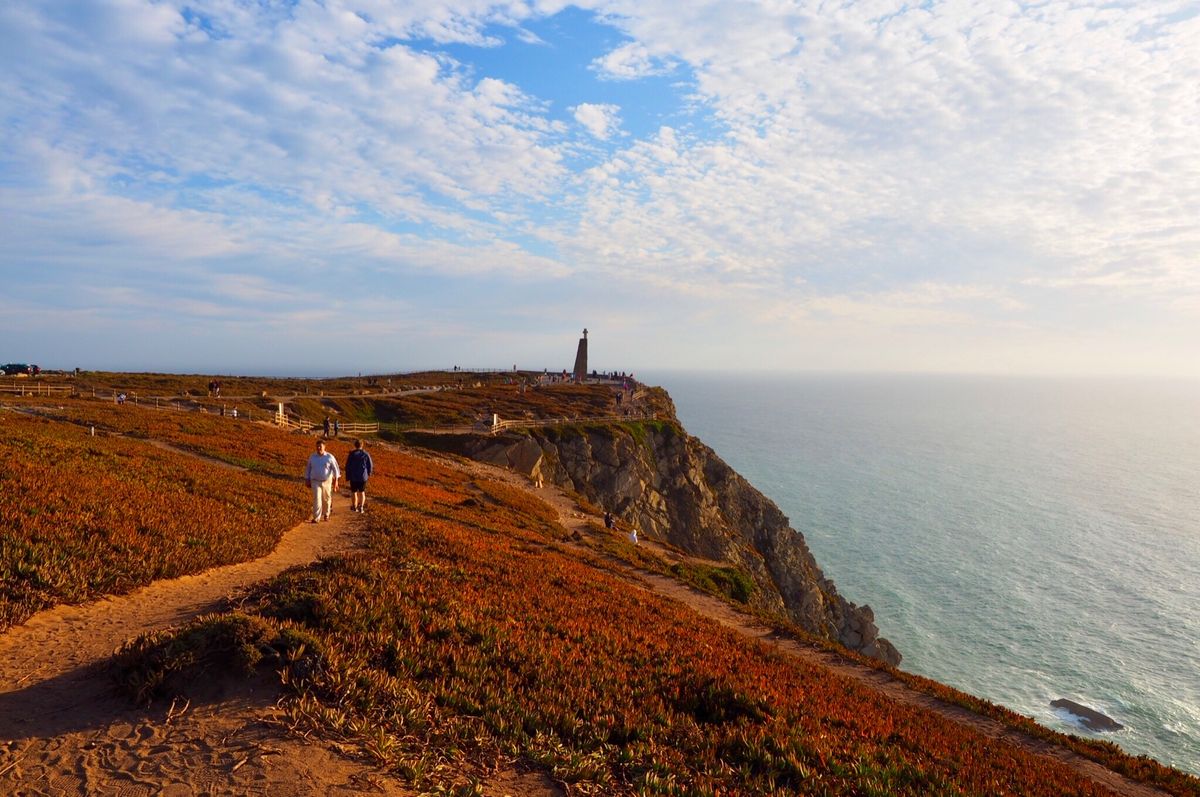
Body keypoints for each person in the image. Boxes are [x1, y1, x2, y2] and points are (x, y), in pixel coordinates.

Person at [304, 439, 340, 522]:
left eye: (320, 446)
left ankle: (326, 514)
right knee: (317, 498)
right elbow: (308, 468)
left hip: (326, 481)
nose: (319, 448)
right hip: (315, 481)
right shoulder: (312, 457)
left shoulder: (329, 457)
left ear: (324, 447)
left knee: (326, 499)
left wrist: (336, 482)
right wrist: (307, 479)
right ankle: (316, 517)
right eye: (317, 446)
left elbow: (336, 470)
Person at [345, 438, 373, 513]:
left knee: (354, 492)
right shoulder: (366, 454)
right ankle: (361, 507)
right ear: (362, 445)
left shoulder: (351, 454)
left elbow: (348, 465)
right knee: (362, 491)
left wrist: (348, 475)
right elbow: (370, 465)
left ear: (355, 445)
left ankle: (354, 506)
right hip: (363, 476)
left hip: (353, 476)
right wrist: (369, 473)